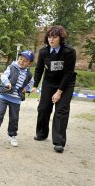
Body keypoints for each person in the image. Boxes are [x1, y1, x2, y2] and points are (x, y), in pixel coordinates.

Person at [31, 25, 77, 153]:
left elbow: (68, 73)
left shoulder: (69, 52)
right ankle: (41, 132)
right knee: (44, 107)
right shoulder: (44, 52)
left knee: (61, 110)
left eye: (54, 37)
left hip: (66, 84)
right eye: (49, 37)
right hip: (49, 81)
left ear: (60, 38)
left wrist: (59, 92)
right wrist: (35, 85)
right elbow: (39, 69)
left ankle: (59, 141)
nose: (51, 40)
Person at [0, 50, 34, 148]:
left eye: (25, 61)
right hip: (4, 96)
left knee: (14, 119)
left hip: (16, 99)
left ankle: (12, 135)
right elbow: (4, 76)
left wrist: (26, 88)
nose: (21, 61)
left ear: (29, 63)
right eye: (20, 59)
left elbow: (31, 83)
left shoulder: (29, 74)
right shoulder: (11, 67)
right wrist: (7, 82)